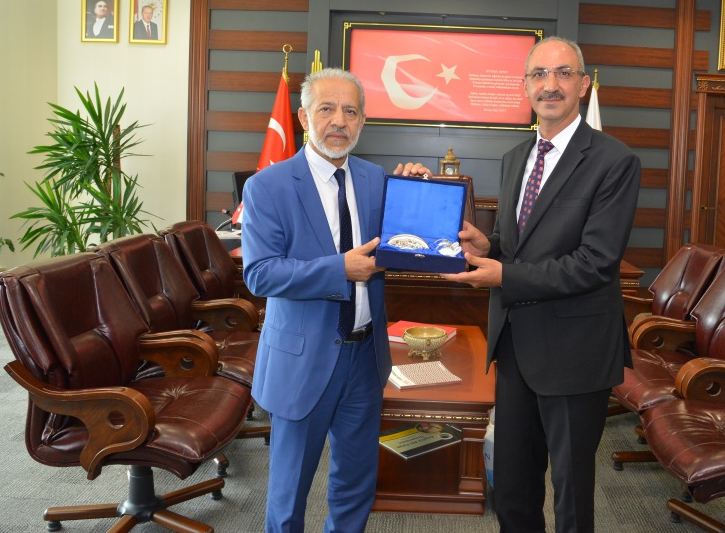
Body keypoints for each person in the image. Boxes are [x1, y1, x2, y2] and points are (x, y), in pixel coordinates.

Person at [444, 36, 641, 532]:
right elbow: (518, 242)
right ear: (525, 85)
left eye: (563, 73)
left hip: (576, 352)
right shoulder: (516, 157)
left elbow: (595, 263)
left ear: (583, 84)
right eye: (539, 74)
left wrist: (504, 274)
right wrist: (489, 246)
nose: (550, 85)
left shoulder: (614, 161)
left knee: (570, 496)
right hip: (515, 347)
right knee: (513, 489)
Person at [242, 67, 429, 532]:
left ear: (362, 121)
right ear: (304, 117)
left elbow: (403, 242)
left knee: (355, 485)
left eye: (350, 111)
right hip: (302, 362)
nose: (339, 121)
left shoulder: (375, 179)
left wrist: (413, 192)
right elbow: (260, 274)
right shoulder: (267, 186)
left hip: (365, 358)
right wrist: (338, 270)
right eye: (326, 109)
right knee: (289, 494)